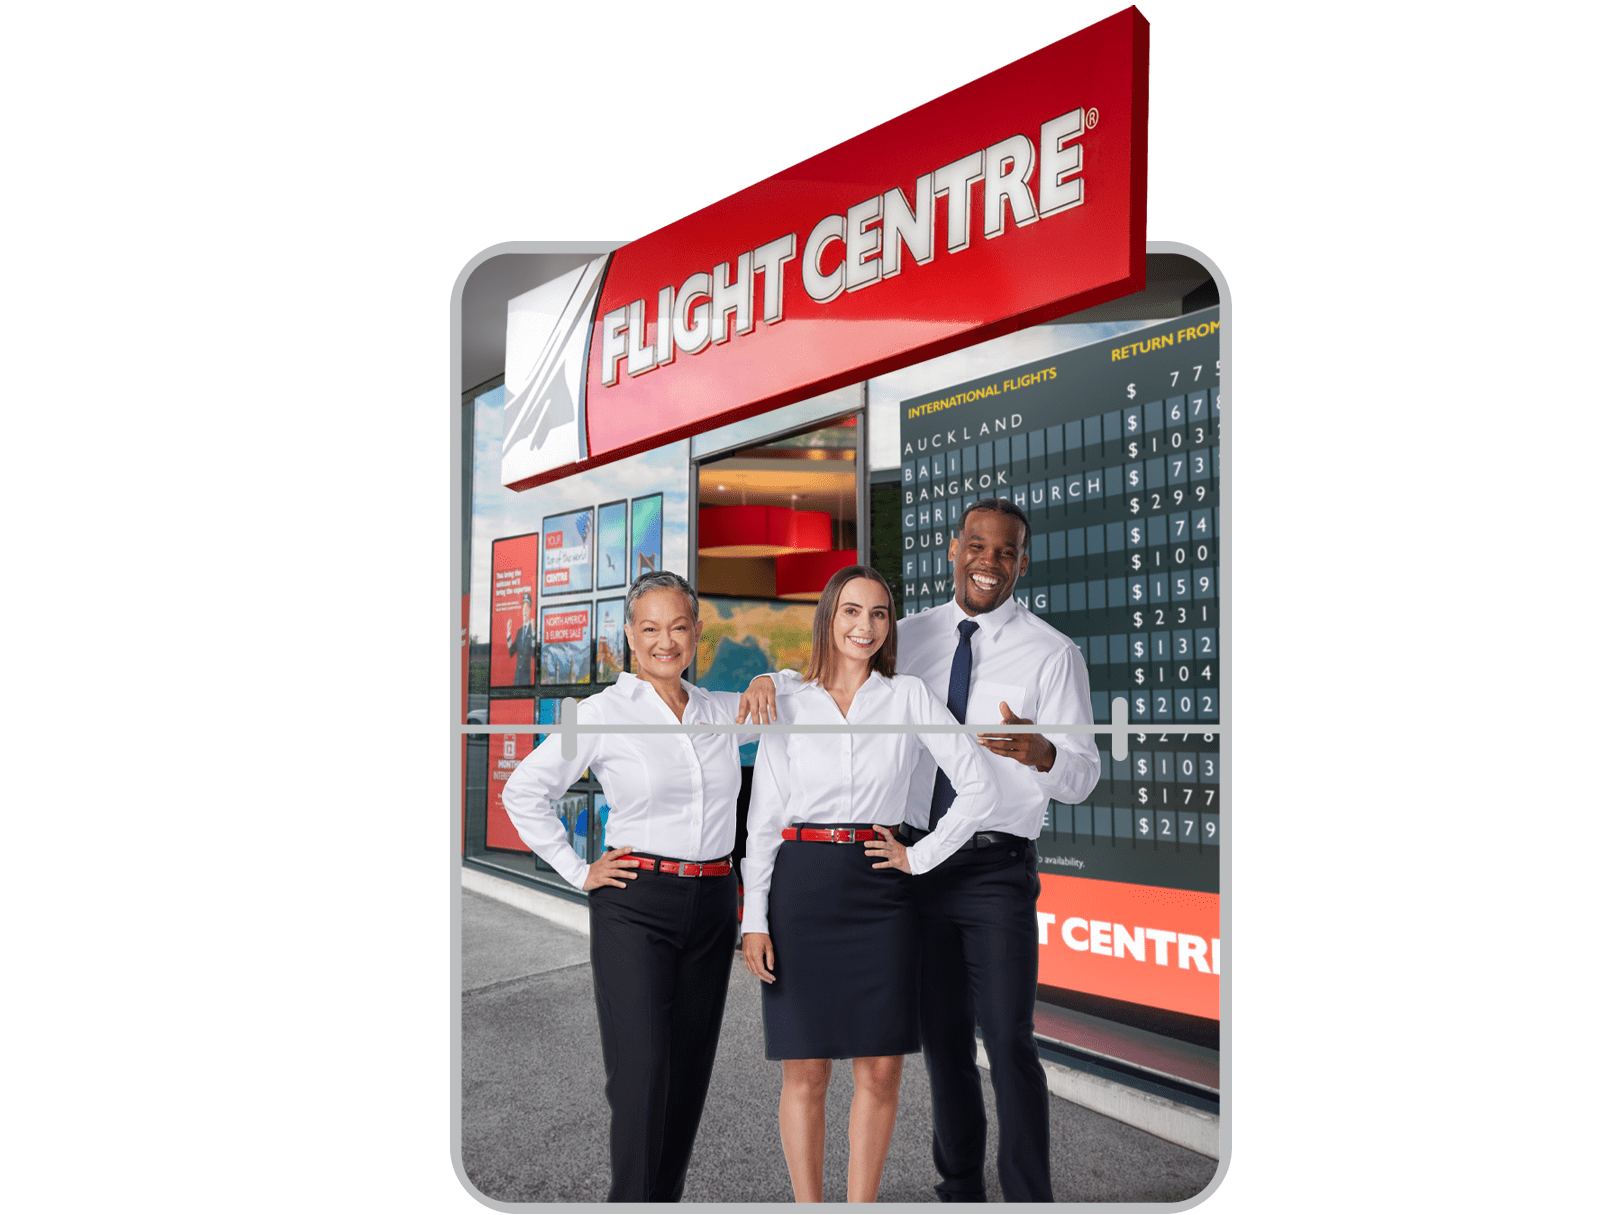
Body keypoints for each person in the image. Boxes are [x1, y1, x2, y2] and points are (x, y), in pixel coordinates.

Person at [744, 500, 1099, 1202]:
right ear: (952, 549)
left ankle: (1030, 1196)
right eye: (976, 545)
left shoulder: (1053, 653)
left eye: (1005, 551)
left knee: (1007, 1037)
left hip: (993, 866)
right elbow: (835, 666)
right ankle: (959, 1186)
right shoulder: (910, 633)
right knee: (941, 1043)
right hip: (906, 865)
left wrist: (1044, 750)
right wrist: (771, 681)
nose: (988, 561)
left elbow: (1081, 775)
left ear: (1022, 561)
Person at [499, 569, 774, 1203]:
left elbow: (801, 697)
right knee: (641, 1077)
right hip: (635, 905)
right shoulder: (594, 713)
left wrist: (768, 678)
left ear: (697, 632)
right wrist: (578, 870)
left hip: (711, 904)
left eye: (678, 627)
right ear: (629, 635)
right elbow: (524, 790)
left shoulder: (719, 709)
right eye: (649, 628)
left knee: (687, 1078)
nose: (665, 641)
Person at [740, 565, 999, 1204]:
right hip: (801, 889)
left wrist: (922, 856)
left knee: (880, 1071)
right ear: (829, 615)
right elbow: (764, 819)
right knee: (805, 1071)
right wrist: (753, 917)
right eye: (852, 610)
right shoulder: (786, 699)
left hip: (882, 889)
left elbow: (980, 785)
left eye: (879, 613)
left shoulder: (908, 695)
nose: (865, 625)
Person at [505, 590, 535, 686]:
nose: (524, 611)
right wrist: (508, 632)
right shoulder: (519, 632)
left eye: (526, 609)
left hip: (526, 681)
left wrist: (534, 633)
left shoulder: (533, 629)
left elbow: (534, 654)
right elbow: (511, 651)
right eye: (523, 609)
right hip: (517, 680)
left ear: (530, 611)